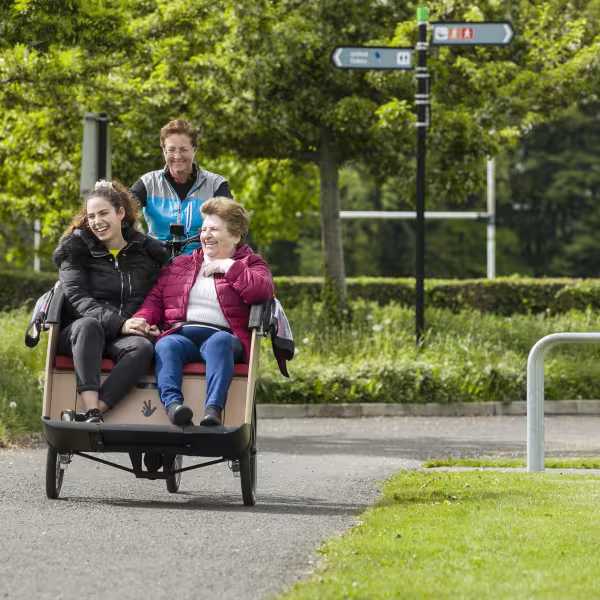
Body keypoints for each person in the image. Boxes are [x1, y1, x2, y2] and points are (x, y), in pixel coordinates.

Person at [132, 196, 274, 426]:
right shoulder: (181, 264)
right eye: (203, 229)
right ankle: (173, 407)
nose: (206, 235)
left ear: (236, 236)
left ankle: (213, 411)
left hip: (224, 338)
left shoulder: (251, 264)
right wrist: (140, 319)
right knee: (165, 344)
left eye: (214, 229)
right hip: (182, 334)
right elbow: (155, 300)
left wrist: (228, 266)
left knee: (219, 342)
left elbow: (262, 291)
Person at [52, 180, 168, 422]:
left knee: (142, 347)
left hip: (119, 338)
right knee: (89, 325)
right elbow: (77, 298)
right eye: (92, 216)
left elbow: (156, 298)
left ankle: (95, 413)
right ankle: (90, 406)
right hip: (79, 335)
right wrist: (121, 324)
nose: (97, 221)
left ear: (120, 213)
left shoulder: (145, 256)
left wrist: (150, 323)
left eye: (103, 213)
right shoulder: (75, 251)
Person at [130, 119, 232, 254]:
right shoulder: (148, 182)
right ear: (164, 151)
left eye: (183, 149)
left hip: (202, 263)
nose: (177, 156)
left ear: (194, 151)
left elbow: (233, 225)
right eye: (171, 149)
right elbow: (122, 211)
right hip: (157, 263)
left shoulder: (216, 185)